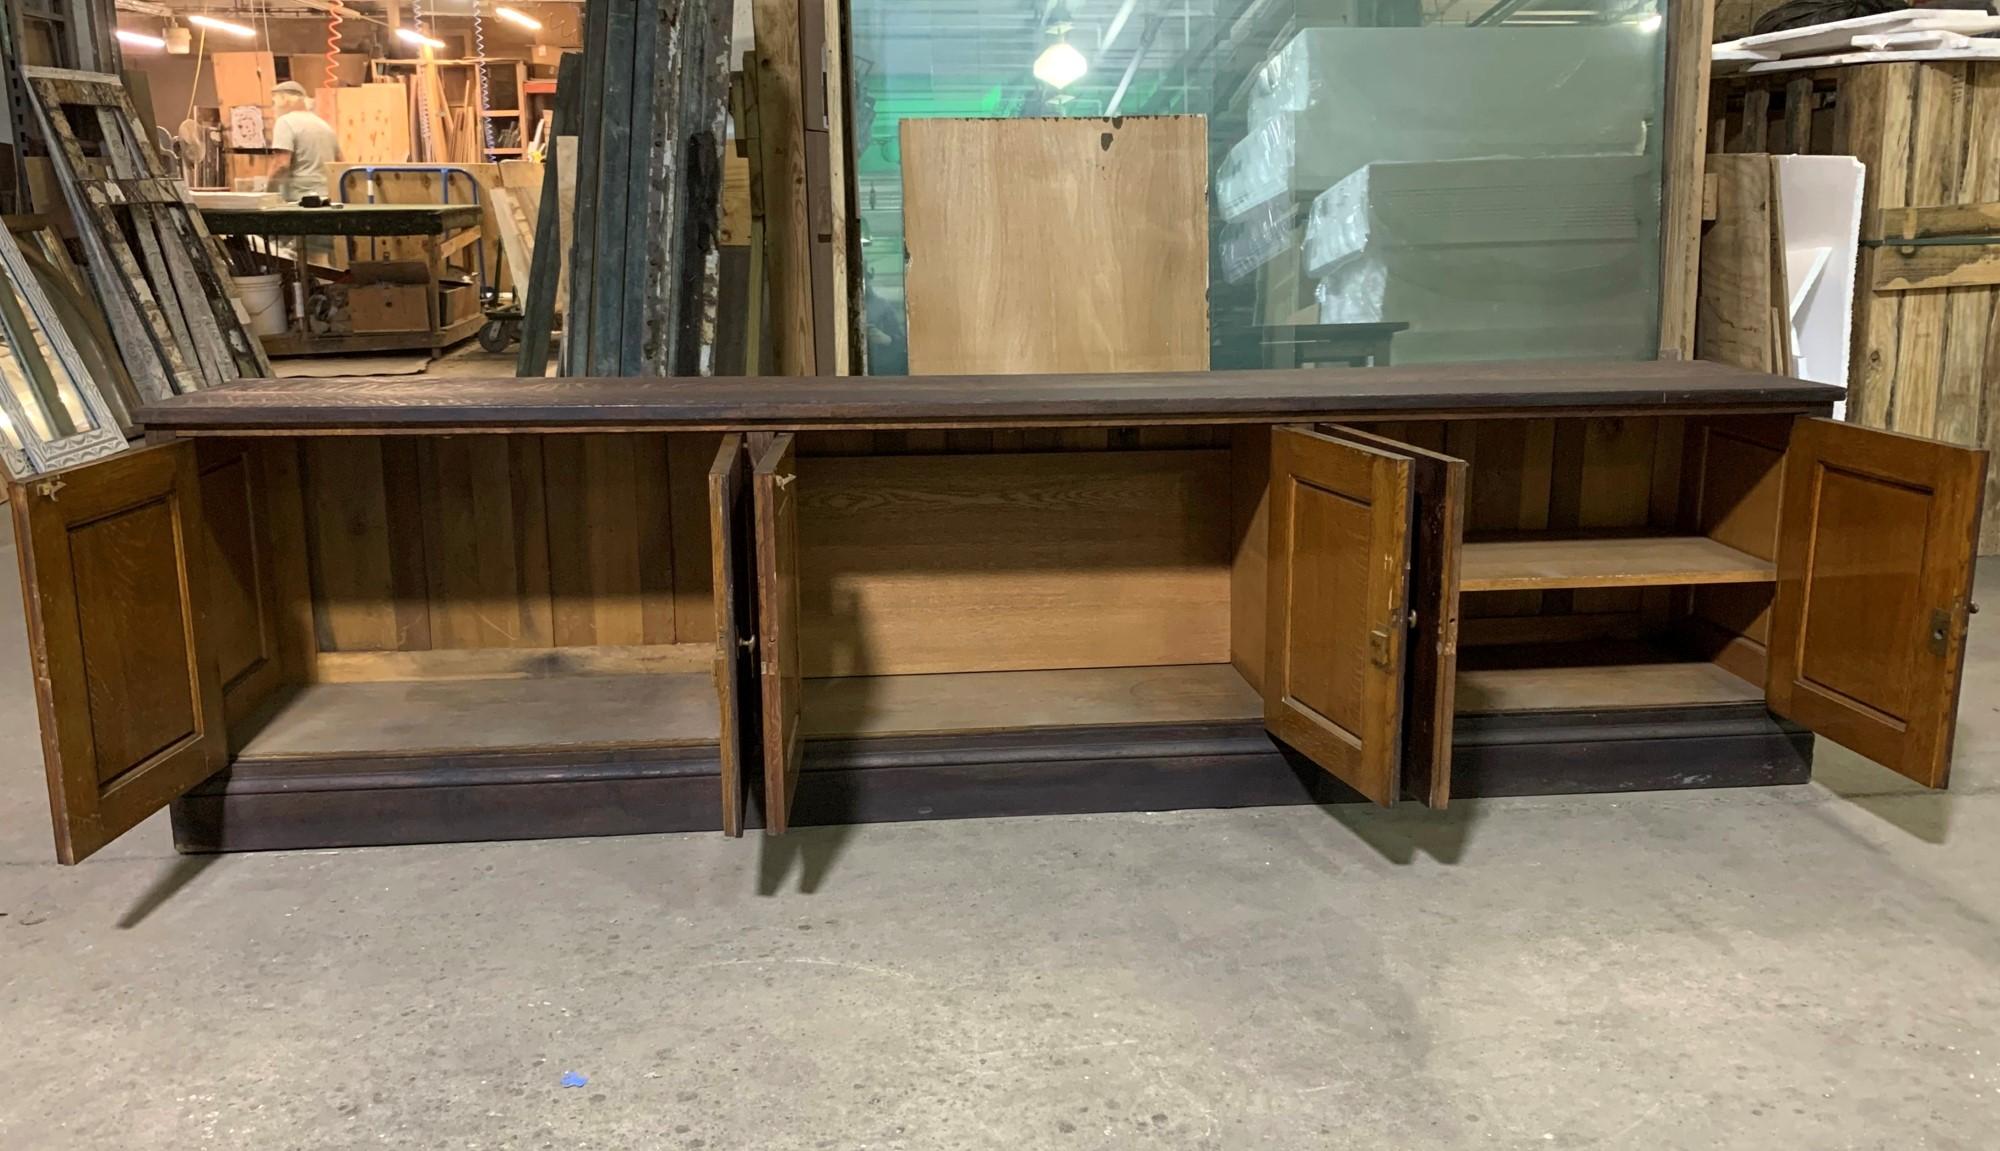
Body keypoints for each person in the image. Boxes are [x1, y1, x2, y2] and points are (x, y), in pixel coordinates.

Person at [268, 81, 339, 201]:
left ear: (284, 99)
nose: (273, 108)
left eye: (274, 102)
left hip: (300, 199)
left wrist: (268, 192)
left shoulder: (285, 122)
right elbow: (339, 162)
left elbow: (281, 165)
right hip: (327, 196)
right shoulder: (324, 125)